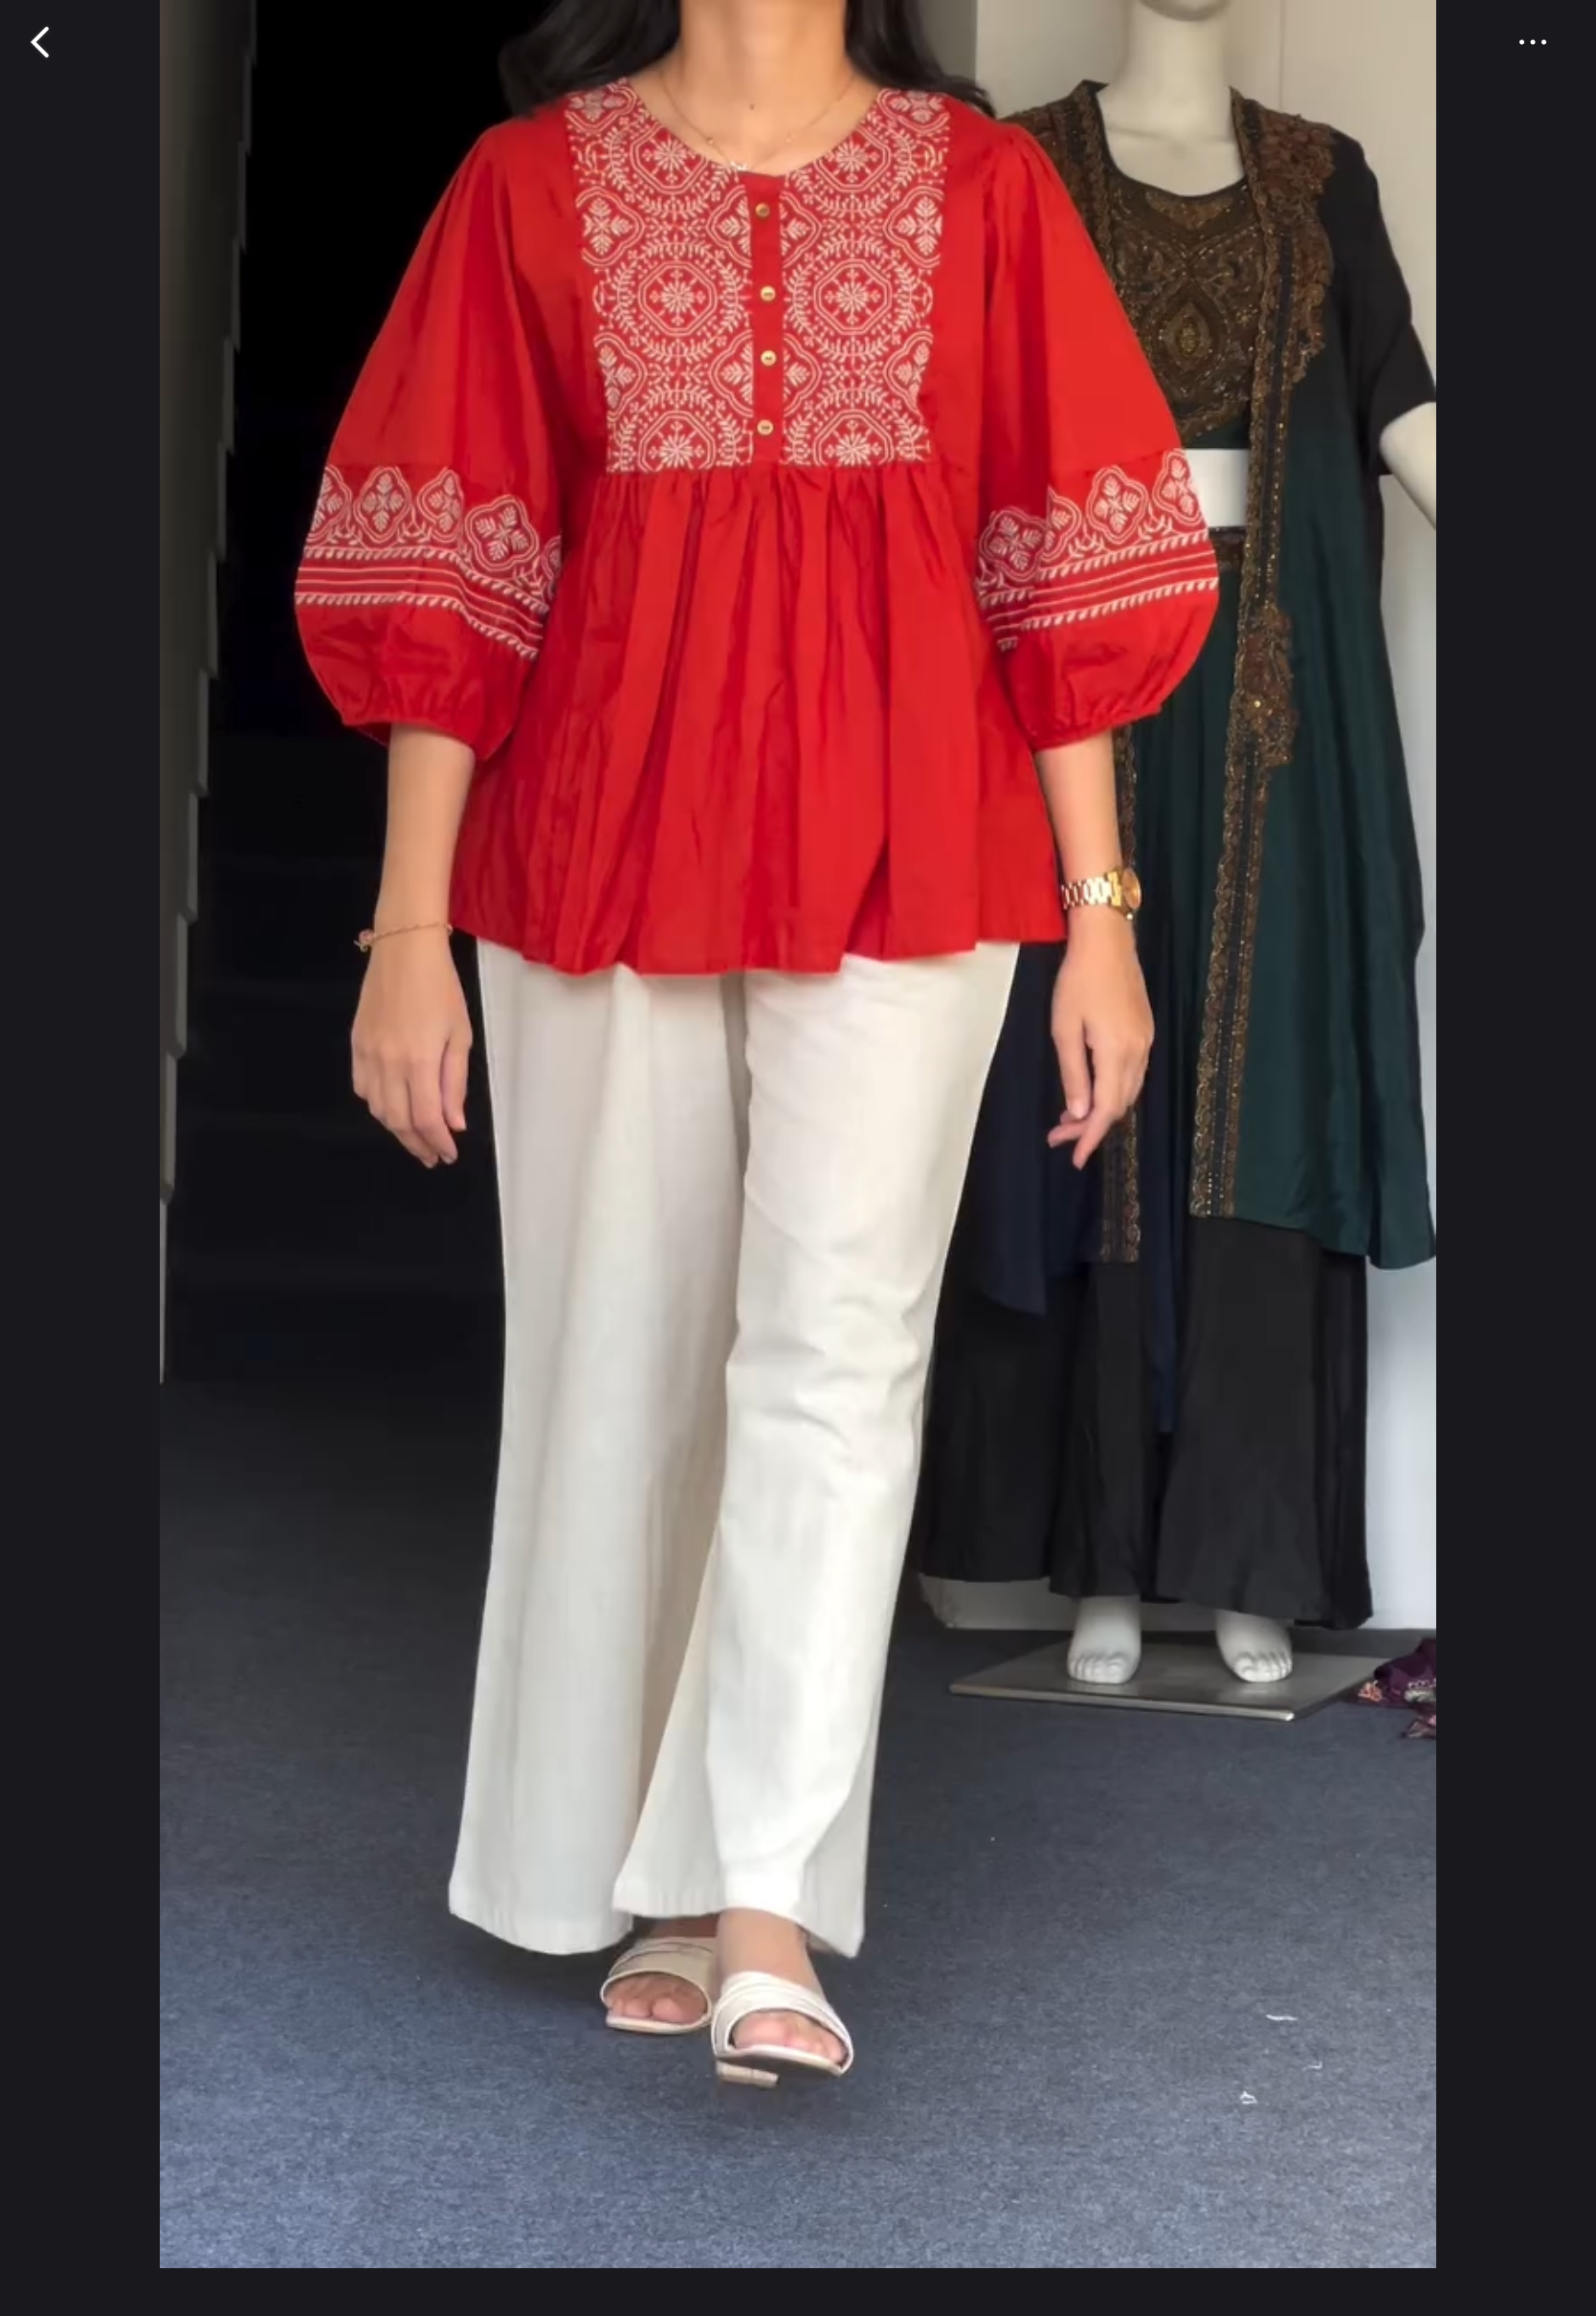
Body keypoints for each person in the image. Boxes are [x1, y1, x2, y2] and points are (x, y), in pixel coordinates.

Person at [294, 0, 1216, 2090]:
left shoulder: (986, 192)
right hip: (595, 839)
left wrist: (1101, 912)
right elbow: (455, 556)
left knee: (838, 1356)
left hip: (917, 839)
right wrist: (407, 929)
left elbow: (1054, 552)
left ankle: (765, 1892)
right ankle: (650, 1872)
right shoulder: (525, 187)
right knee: (620, 1351)